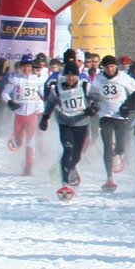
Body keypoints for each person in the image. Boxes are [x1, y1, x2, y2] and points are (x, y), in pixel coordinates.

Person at [39, 60, 96, 196]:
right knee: (68, 149)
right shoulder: (58, 88)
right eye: (68, 75)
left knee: (76, 154)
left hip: (81, 122)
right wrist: (45, 118)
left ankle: (70, 169)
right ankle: (65, 183)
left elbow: (97, 98)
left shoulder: (85, 86)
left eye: (73, 75)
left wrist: (93, 108)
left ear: (77, 76)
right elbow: (50, 103)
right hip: (65, 122)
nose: (70, 78)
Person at [88, 54, 135, 192]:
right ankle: (109, 178)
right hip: (105, 116)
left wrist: (129, 107)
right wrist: (94, 105)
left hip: (120, 116)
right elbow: (93, 94)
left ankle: (116, 155)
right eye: (107, 66)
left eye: (112, 66)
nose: (109, 69)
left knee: (121, 147)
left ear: (116, 66)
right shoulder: (99, 78)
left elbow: (134, 94)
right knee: (107, 146)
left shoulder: (124, 78)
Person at [2, 57, 46, 177]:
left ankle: (28, 167)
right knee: (19, 143)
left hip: (31, 116)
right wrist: (10, 102)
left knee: (30, 142)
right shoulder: (16, 80)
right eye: (24, 67)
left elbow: (44, 95)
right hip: (19, 116)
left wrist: (49, 102)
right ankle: (14, 140)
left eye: (29, 67)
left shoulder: (37, 80)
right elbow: (4, 93)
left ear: (32, 68)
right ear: (21, 68)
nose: (27, 69)